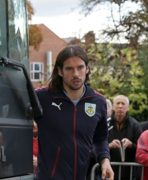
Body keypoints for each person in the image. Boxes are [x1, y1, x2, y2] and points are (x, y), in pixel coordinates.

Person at [35, 45, 114, 180]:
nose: (76, 74)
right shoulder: (42, 97)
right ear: (60, 71)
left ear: (87, 69)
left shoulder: (98, 101)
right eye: (69, 69)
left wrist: (105, 160)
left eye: (80, 67)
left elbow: (100, 138)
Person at [108, 94, 142, 180]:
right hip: (108, 170)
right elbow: (97, 146)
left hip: (129, 172)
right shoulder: (105, 124)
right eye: (118, 103)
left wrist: (131, 145)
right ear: (112, 107)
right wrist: (109, 146)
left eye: (123, 104)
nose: (120, 106)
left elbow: (142, 149)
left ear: (127, 108)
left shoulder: (135, 125)